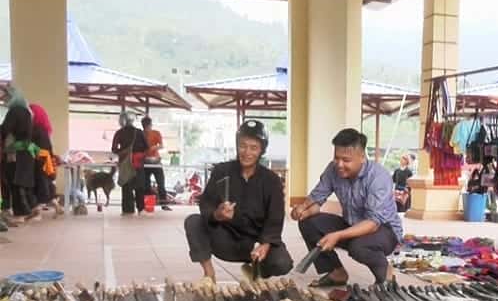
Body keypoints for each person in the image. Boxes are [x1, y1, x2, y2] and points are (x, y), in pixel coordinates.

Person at [291, 128, 403, 286]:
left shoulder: (379, 177)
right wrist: (303, 210)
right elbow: (317, 199)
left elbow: (372, 224)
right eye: (336, 158)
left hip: (383, 230)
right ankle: (337, 273)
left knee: (358, 247)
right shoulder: (333, 169)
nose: (340, 164)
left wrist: (337, 235)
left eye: (346, 160)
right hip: (352, 224)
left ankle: (386, 275)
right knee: (308, 223)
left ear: (362, 157)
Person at [184, 120, 292, 282]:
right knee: (193, 222)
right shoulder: (221, 171)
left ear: (262, 150)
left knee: (282, 263)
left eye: (254, 148)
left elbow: (275, 218)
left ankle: (256, 269)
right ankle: (209, 274)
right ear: (237, 145)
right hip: (225, 239)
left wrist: (266, 243)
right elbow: (206, 203)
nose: (247, 152)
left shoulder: (271, 180)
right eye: (243, 145)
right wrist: (217, 215)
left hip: (256, 242)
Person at [1, 103, 36, 221]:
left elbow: (5, 129)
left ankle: (21, 213)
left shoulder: (14, 117)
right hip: (25, 156)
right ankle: (27, 210)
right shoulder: (28, 117)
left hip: (15, 156)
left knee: (14, 184)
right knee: (21, 185)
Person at [30, 104, 63, 218]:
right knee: (46, 185)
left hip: (39, 161)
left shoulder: (35, 129)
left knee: (41, 185)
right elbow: (48, 148)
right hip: (46, 161)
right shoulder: (44, 130)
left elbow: (37, 148)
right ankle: (57, 207)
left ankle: (37, 210)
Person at [112, 112, 148, 215]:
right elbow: (147, 148)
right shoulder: (139, 132)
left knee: (126, 187)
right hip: (138, 163)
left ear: (122, 121)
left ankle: (127, 210)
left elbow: (114, 149)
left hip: (125, 163)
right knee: (139, 187)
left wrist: (123, 153)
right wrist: (140, 156)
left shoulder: (119, 133)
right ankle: (141, 209)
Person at [141, 117, 171, 211]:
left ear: (150, 125)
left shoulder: (156, 133)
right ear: (143, 126)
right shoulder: (140, 134)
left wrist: (154, 147)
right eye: (145, 127)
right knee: (146, 185)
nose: (147, 128)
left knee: (161, 183)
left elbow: (161, 145)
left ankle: (163, 204)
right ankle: (149, 205)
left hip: (156, 161)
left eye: (148, 126)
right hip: (145, 162)